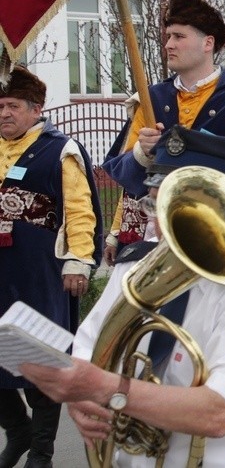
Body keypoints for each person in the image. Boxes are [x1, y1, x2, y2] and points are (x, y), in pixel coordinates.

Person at [20, 125, 225, 468]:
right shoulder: (137, 263)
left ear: (220, 209)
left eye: (171, 207)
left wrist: (107, 388)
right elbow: (92, 345)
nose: (155, 221)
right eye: (153, 203)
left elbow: (217, 413)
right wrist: (83, 400)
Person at [102, 0, 225, 263]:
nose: (168, 45)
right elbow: (122, 174)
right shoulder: (150, 100)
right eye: (168, 37)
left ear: (208, 43)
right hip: (150, 242)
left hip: (214, 244)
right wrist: (141, 153)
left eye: (179, 36)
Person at [0, 66, 103, 468]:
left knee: (39, 356)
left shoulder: (60, 149)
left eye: (12, 106)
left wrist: (77, 261)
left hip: (38, 270)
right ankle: (18, 431)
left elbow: (79, 211)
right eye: (0, 106)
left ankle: (41, 451)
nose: (4, 113)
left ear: (35, 109)